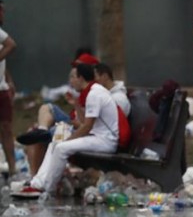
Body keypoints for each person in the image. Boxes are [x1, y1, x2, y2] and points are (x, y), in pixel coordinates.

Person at [12, 64, 120, 197]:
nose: (70, 81)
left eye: (73, 77)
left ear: (81, 78)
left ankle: (47, 188)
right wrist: (75, 104)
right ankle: (37, 183)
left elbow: (87, 127)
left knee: (61, 148)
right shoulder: (89, 92)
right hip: (96, 137)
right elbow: (82, 123)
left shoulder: (94, 94)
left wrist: (69, 139)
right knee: (56, 140)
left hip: (105, 140)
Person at [0, 0, 17, 178]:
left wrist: (9, 80)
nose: (3, 15)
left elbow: (4, 58)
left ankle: (12, 167)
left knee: (6, 128)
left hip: (2, 88)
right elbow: (12, 45)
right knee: (6, 128)